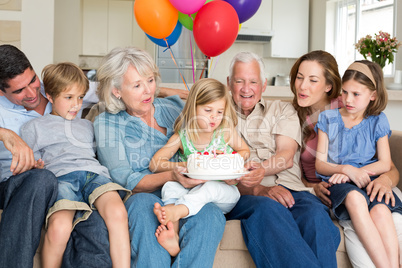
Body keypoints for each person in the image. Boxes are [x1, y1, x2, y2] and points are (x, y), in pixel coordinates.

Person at [93, 46, 226, 267]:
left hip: (189, 193)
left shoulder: (174, 108)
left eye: (150, 80)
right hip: (146, 195)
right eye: (137, 85)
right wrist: (171, 176)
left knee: (211, 213)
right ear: (116, 90)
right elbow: (125, 180)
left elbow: (212, 131)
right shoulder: (108, 124)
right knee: (143, 207)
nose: (148, 91)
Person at [223, 51, 340, 268]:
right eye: (239, 81)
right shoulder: (216, 115)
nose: (246, 89)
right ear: (229, 83)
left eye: (253, 82)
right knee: (269, 210)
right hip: (247, 195)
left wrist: (259, 171)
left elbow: (286, 156)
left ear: (264, 85)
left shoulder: (282, 110)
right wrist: (258, 187)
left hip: (294, 189)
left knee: (315, 215)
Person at [289, 50, 402, 267]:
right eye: (299, 78)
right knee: (355, 205)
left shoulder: (361, 113)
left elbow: (388, 166)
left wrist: (384, 180)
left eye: (313, 80)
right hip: (336, 188)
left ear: (329, 86)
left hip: (369, 184)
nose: (302, 86)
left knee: (385, 213)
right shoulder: (293, 115)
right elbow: (296, 170)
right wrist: (312, 186)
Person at [20, 62, 131, 268]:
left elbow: (99, 154)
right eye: (68, 98)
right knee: (59, 228)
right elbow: (29, 165)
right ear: (51, 97)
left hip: (94, 175)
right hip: (62, 179)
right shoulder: (33, 127)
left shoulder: (88, 125)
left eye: (80, 97)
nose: (76, 105)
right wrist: (35, 166)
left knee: (118, 213)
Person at [149, 78, 249, 256]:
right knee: (170, 186)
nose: (214, 117)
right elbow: (155, 163)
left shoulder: (224, 133)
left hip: (224, 192)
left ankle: (178, 211)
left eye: (219, 112)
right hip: (192, 190)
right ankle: (173, 233)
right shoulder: (183, 137)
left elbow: (245, 151)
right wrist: (186, 164)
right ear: (193, 108)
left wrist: (229, 158)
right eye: (208, 110)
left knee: (209, 187)